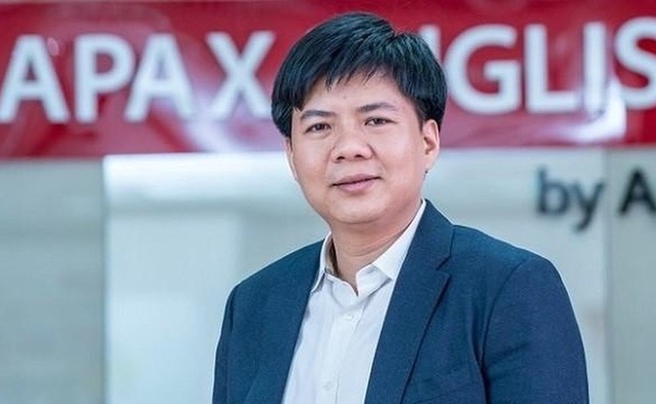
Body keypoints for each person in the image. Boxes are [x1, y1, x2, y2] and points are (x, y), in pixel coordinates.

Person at [213, 11, 588, 404]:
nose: (348, 148)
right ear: (291, 155)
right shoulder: (253, 305)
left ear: (428, 142)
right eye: (319, 127)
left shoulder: (507, 288)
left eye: (375, 120)